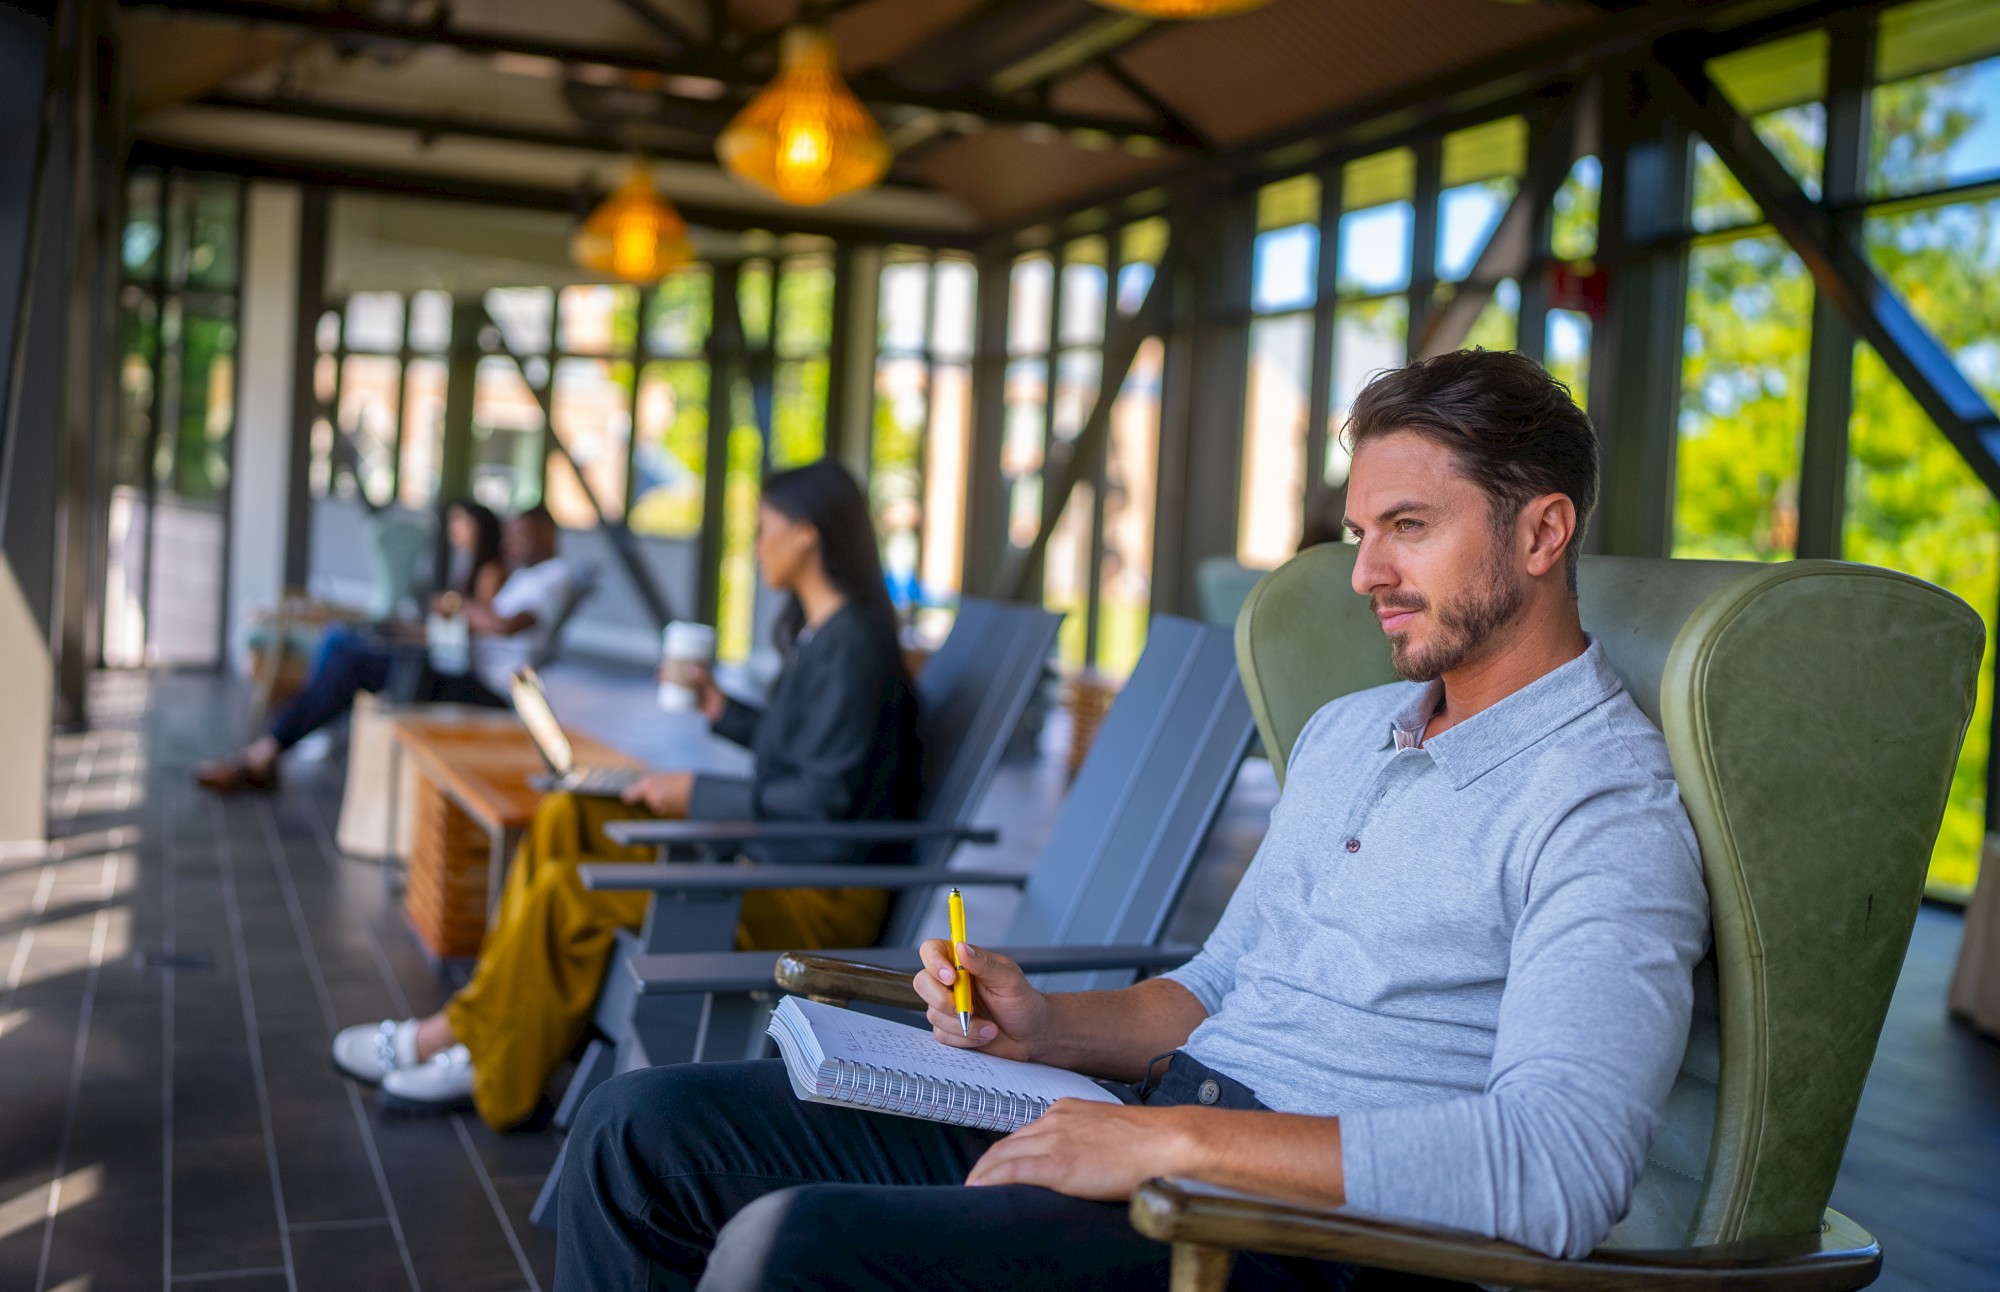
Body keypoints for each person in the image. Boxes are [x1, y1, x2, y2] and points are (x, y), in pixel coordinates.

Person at [552, 350, 1711, 1292]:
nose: (1363, 573)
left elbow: (1560, 1167)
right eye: (1358, 532)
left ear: (1540, 533)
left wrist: (1169, 1143)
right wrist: (1042, 1023)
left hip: (1307, 1233)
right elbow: (1210, 986)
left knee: (796, 1250)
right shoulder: (1351, 730)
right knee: (641, 1132)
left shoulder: (1601, 802)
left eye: (1406, 525)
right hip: (1157, 1123)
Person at [330, 458, 922, 1126]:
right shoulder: (824, 634)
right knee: (575, 812)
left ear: (807, 536)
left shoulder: (855, 645)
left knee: (573, 886)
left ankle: (468, 1047)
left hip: (813, 896)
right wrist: (720, 709)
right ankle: (481, 1030)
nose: (755, 546)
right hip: (781, 858)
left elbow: (821, 806)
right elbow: (811, 756)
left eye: (764, 529)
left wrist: (696, 793)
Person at [195, 504, 571, 793]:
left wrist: (457, 604)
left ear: (547, 533)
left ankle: (269, 748)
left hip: (484, 685)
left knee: (350, 662)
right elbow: (480, 628)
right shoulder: (527, 576)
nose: (513, 543)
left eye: (522, 535)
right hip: (458, 664)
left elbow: (506, 625)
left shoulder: (556, 576)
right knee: (347, 646)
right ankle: (276, 743)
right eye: (511, 535)